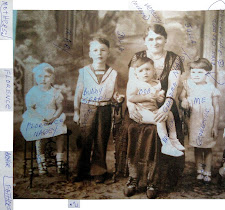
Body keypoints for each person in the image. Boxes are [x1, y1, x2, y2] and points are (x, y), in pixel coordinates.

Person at [123, 24, 185, 198]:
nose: (155, 42)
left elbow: (173, 86)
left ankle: (154, 180)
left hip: (164, 102)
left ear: (165, 39)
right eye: (150, 38)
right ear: (145, 41)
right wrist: (131, 105)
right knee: (132, 128)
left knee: (161, 126)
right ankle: (134, 177)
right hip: (138, 104)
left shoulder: (174, 59)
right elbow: (130, 85)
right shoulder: (138, 57)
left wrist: (166, 106)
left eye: (159, 38)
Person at [73, 37, 124, 183]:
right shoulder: (84, 71)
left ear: (108, 53)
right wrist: (76, 112)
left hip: (105, 109)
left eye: (103, 50)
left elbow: (115, 93)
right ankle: (80, 170)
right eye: (95, 50)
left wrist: (118, 97)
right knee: (84, 139)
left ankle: (98, 171)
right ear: (90, 53)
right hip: (87, 107)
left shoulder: (113, 73)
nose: (99, 53)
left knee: (101, 140)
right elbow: (78, 92)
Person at [127, 57, 185, 157]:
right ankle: (166, 145)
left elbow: (159, 100)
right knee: (159, 119)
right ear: (136, 74)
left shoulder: (156, 83)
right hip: (141, 111)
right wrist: (146, 97)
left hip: (152, 109)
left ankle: (173, 139)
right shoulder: (136, 84)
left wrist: (160, 98)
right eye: (141, 71)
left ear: (154, 71)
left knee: (170, 114)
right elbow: (131, 97)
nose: (145, 73)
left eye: (148, 69)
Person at [20, 63, 67, 175]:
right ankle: (42, 163)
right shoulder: (33, 92)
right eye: (40, 76)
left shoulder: (55, 92)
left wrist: (54, 117)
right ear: (36, 78)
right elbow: (30, 108)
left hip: (53, 116)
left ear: (52, 78)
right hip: (37, 117)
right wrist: (40, 118)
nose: (43, 79)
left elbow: (60, 107)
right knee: (39, 133)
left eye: (46, 76)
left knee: (60, 131)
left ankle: (59, 161)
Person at [180, 58, 220, 182]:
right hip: (194, 120)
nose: (195, 75)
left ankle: (207, 171)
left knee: (207, 147)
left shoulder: (211, 87)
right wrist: (184, 100)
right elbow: (181, 96)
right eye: (193, 72)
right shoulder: (188, 84)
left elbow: (216, 107)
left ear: (207, 73)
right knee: (197, 146)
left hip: (207, 121)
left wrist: (215, 126)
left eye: (199, 72)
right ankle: (199, 170)